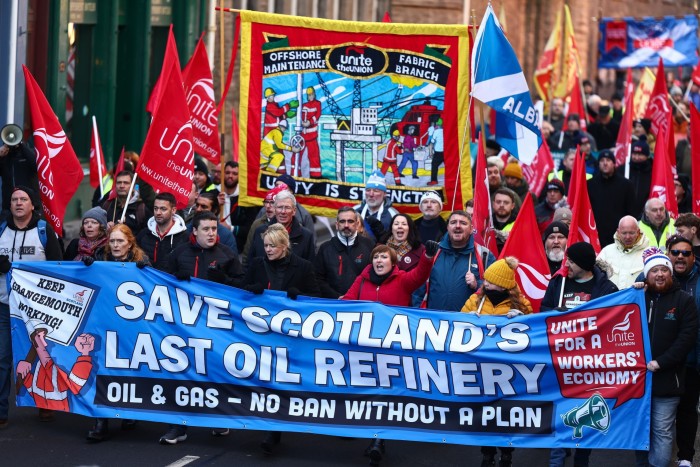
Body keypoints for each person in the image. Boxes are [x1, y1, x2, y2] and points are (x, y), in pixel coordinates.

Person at [342, 241, 439, 466]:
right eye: (376, 257)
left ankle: (378, 441)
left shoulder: (402, 280)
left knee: (385, 397)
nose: (379, 261)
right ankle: (371, 436)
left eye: (384, 257)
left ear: (393, 263)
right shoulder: (361, 281)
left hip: (391, 352)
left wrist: (427, 258)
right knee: (366, 395)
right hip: (363, 351)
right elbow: (346, 304)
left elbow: (420, 274)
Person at [159, 211, 244, 445]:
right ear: (194, 231)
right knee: (181, 376)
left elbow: (243, 288)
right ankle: (178, 426)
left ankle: (218, 419)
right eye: (206, 229)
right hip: (184, 328)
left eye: (214, 229)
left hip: (216, 328)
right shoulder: (178, 254)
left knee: (215, 374)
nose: (211, 233)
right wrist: (174, 278)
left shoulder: (227, 255)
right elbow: (159, 283)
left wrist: (224, 279)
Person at [244, 224, 320, 455]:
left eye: (272, 246)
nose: (267, 250)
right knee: (267, 381)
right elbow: (239, 289)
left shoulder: (303, 267)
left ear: (284, 246)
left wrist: (301, 295)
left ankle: (275, 428)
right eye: (265, 245)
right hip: (261, 334)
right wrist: (251, 289)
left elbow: (316, 297)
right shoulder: (257, 264)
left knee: (282, 382)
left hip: (290, 336)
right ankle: (271, 428)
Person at [460, 257, 532, 467]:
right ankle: (487, 454)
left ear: (502, 284)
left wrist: (523, 319)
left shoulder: (521, 304)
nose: (485, 283)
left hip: (509, 370)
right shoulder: (475, 301)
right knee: (486, 415)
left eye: (490, 281)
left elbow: (534, 332)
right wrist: (466, 320)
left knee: (506, 414)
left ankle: (507, 453)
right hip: (481, 369)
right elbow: (456, 326)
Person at [0, 186, 62, 427]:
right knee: (3, 358)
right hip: (5, 306)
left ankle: (45, 404)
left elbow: (59, 267)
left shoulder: (44, 231)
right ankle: (2, 411)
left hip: (37, 310)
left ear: (32, 205)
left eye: (23, 199)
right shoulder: (2, 230)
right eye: (14, 199)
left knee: (41, 355)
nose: (18, 203)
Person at [633, 248, 697, 467]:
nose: (659, 274)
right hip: (636, 383)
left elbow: (686, 338)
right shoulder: (637, 297)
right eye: (654, 271)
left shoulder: (684, 301)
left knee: (662, 431)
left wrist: (661, 362)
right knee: (639, 430)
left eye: (664, 270)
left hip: (667, 381)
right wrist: (632, 293)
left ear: (670, 274)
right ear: (646, 275)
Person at [84, 223, 148, 442]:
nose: (115, 245)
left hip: (131, 329)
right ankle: (101, 421)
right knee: (101, 369)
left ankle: (129, 412)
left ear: (130, 243)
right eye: (112, 241)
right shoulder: (100, 261)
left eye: (120, 241)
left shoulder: (141, 263)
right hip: (104, 326)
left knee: (128, 370)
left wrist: (145, 270)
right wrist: (87, 268)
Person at [662, 235, 700, 467]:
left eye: (685, 253)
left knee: (688, 409)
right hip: (663, 360)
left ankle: (685, 456)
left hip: (694, 358)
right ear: (669, 255)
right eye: (675, 252)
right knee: (663, 412)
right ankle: (657, 456)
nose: (680, 257)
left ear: (693, 257)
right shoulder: (655, 275)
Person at [425, 211, 496, 311]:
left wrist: (477, 284)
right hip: (435, 321)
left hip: (468, 322)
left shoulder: (484, 255)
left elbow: (498, 288)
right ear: (448, 227)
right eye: (453, 222)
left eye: (463, 223)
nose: (457, 226)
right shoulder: (434, 251)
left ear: (471, 229)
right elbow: (419, 288)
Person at [315, 206, 375, 298]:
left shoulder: (369, 245)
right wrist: (337, 297)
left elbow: (374, 275)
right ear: (336, 224)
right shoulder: (325, 248)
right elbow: (318, 279)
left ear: (357, 224)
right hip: (333, 305)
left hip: (362, 303)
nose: (346, 225)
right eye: (342, 221)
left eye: (350, 221)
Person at [248, 190, 315, 264]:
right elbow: (250, 263)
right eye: (280, 207)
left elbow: (311, 269)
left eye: (287, 207)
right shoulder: (260, 232)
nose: (283, 211)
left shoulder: (306, 236)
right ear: (275, 209)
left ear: (294, 211)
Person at [588, 149, 635, 247]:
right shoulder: (590, 184)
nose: (605, 163)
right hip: (596, 235)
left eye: (608, 160)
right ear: (598, 164)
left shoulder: (626, 185)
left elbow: (631, 211)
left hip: (619, 237)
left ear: (614, 163)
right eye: (602, 161)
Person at [136, 192, 188, 271]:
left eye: (163, 209)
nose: (158, 213)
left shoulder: (184, 237)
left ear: (173, 210)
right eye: (156, 208)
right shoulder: (144, 234)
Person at [597, 216, 650, 289]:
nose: (628, 237)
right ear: (618, 232)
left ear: (638, 232)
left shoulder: (650, 253)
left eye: (631, 233)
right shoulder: (606, 251)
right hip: (612, 299)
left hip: (636, 299)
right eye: (624, 233)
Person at [218, 161, 257, 254]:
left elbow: (250, 228)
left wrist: (230, 228)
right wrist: (216, 205)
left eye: (235, 173)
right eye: (227, 173)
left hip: (239, 248)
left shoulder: (246, 199)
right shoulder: (214, 193)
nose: (230, 176)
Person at [100, 170, 151, 236]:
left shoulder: (142, 208)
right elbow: (98, 230)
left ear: (133, 186)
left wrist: (127, 225)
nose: (122, 186)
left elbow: (148, 235)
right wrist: (105, 228)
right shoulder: (107, 205)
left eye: (126, 183)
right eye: (119, 183)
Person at [0, 138, 40, 212]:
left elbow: (37, 165)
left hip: (30, 205)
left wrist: (21, 145)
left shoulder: (28, 153)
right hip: (8, 207)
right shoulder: (4, 156)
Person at [618, 136, 652, 218]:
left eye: (640, 154)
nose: (636, 157)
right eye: (634, 154)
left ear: (647, 156)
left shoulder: (652, 171)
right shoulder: (622, 169)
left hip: (645, 214)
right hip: (624, 213)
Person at [298, 87, 322, 178]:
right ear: (307, 96)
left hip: (312, 136)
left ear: (314, 94)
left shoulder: (317, 104)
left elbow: (317, 114)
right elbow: (300, 116)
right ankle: (296, 174)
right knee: (297, 155)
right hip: (302, 136)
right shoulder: (303, 105)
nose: (310, 96)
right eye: (309, 95)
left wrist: (309, 122)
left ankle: (315, 176)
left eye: (312, 94)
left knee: (314, 157)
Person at [427, 119, 444, 186]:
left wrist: (430, 152)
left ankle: (434, 180)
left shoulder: (436, 132)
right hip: (446, 152)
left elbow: (432, 142)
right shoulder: (445, 131)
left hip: (438, 152)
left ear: (437, 125)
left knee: (434, 165)